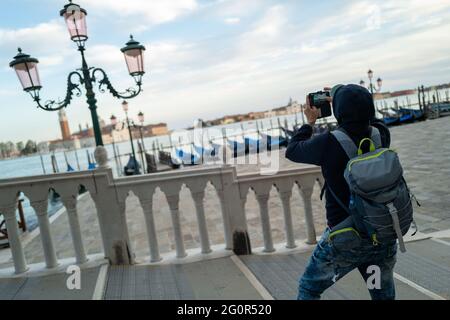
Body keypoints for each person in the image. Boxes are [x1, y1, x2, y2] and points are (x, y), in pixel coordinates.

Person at [286, 84, 397, 300]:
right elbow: (368, 117)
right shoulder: (381, 134)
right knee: (381, 293)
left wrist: (309, 122)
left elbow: (293, 150)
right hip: (380, 235)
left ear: (338, 111)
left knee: (309, 288)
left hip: (345, 240)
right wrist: (342, 93)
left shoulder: (328, 143)